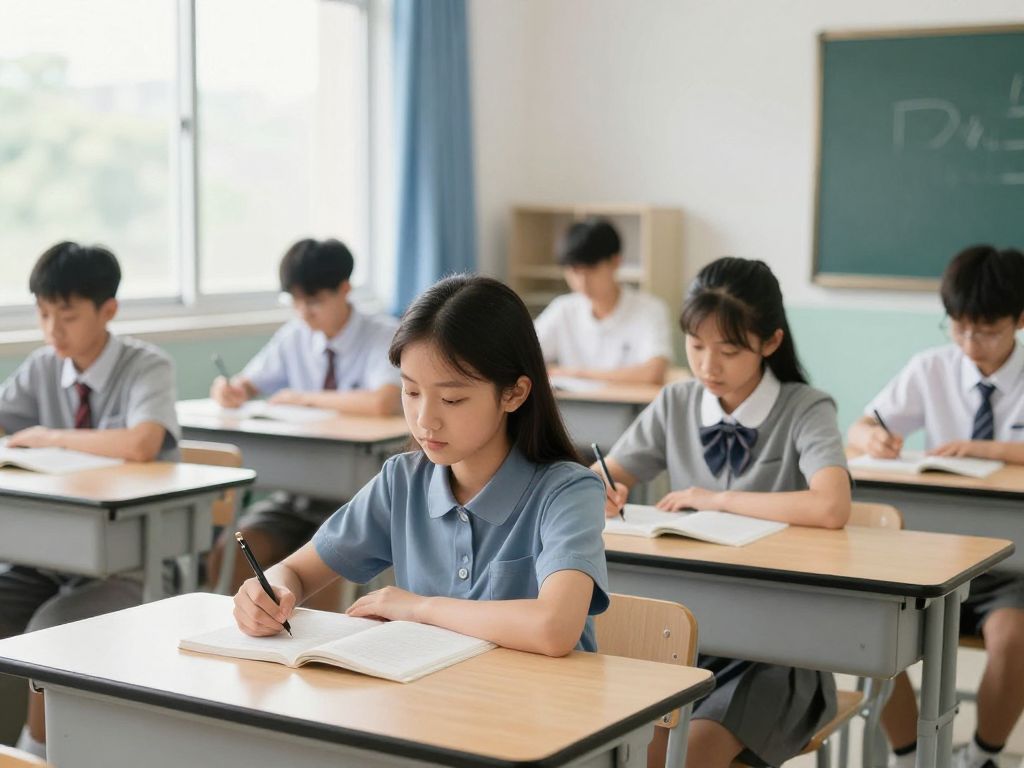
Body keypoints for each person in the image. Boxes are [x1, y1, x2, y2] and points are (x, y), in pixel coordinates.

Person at [232, 275, 609, 658]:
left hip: (545, 709)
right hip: (429, 705)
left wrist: (418, 608)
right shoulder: (403, 481)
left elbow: (554, 628)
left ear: (514, 393)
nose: (425, 419)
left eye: (451, 399)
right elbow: (295, 571)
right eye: (411, 392)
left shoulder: (568, 492)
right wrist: (269, 593)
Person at [601, 257, 851, 768]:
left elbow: (831, 505)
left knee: (685, 757)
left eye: (729, 350)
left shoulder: (806, 407)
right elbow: (609, 473)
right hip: (682, 637)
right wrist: (596, 489)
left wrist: (717, 499)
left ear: (771, 343)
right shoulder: (676, 403)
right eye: (695, 347)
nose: (708, 366)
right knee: (624, 752)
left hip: (777, 651)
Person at [0, 241, 180, 758]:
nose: (53, 329)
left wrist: (51, 436)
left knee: (46, 635)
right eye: (43, 314)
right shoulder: (41, 367)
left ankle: (33, 756)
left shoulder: (147, 366)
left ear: (108, 311)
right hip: (45, 561)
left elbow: (142, 441)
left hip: (128, 567)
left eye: (68, 315)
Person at [849, 245, 1024, 768]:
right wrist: (873, 439)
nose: (971, 343)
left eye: (987, 330)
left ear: (1020, 318)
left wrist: (989, 450)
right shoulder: (932, 367)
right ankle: (913, 757)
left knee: (1013, 641)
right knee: (863, 630)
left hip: (1011, 568)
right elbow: (862, 427)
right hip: (932, 556)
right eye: (958, 327)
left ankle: (983, 756)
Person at [207, 238, 402, 590]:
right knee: (230, 553)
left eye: (314, 302)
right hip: (296, 496)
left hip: (351, 497)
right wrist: (231, 389)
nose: (303, 312)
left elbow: (382, 401)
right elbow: (250, 382)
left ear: (344, 289)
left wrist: (305, 398)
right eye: (294, 301)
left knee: (323, 579)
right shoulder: (294, 336)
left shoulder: (382, 334)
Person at [534, 218, 672, 386]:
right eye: (574, 271)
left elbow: (653, 373)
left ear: (615, 262)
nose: (582, 282)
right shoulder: (563, 308)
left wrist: (576, 374)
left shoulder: (650, 309)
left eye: (591, 270)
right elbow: (522, 354)